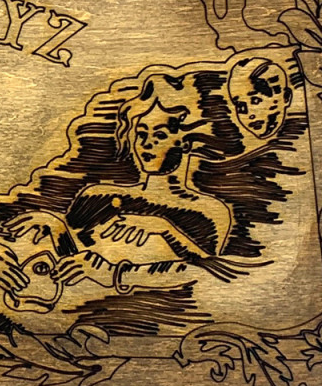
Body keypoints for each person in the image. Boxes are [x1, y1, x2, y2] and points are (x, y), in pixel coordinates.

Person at [58, 71, 241, 295]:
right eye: (141, 134)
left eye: (160, 135)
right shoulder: (97, 196)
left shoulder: (210, 212)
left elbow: (211, 277)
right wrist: (50, 224)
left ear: (185, 143)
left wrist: (165, 229)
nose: (147, 144)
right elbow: (66, 254)